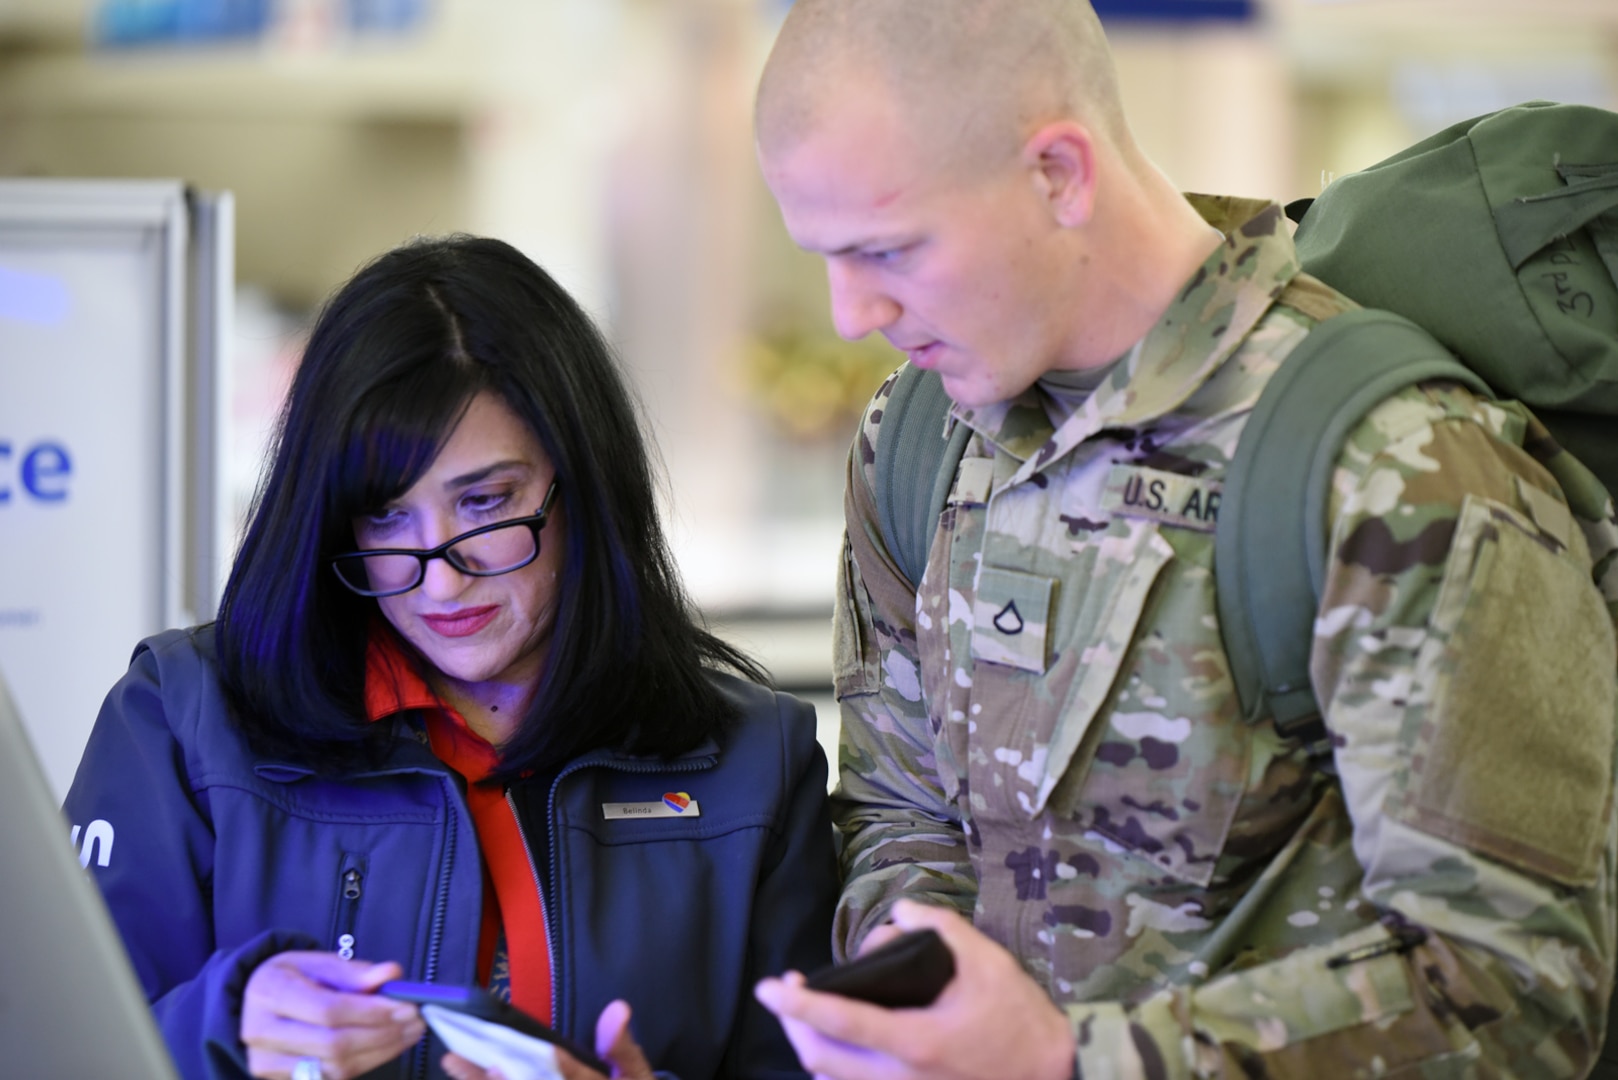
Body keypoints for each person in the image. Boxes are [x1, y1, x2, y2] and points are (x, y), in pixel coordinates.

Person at [749, 2, 1618, 1077]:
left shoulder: (1392, 464)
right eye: (825, 257)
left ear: (1058, 173)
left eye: (889, 247)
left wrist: (1070, 1064)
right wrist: (913, 984)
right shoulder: (918, 439)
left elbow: (1517, 992)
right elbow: (899, 804)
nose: (847, 313)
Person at [63, 235, 839, 1080]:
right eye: (386, 516)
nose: (438, 576)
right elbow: (52, 1046)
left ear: (584, 485)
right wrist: (224, 1025)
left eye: (485, 502)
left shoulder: (756, 761)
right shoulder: (182, 720)